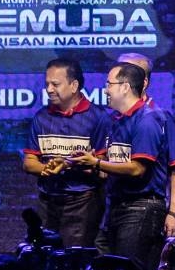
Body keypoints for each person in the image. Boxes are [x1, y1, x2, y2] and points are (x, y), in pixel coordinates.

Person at [69, 62, 170, 270]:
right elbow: (109, 168)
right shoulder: (114, 120)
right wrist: (75, 164)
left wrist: (95, 163)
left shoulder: (147, 120)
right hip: (115, 206)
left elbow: (137, 169)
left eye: (109, 84)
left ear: (125, 87)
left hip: (140, 208)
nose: (105, 89)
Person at [22, 58, 112, 247]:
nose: (49, 89)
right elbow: (29, 161)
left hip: (83, 202)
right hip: (47, 201)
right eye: (47, 84)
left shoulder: (98, 118)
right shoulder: (41, 117)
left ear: (74, 85)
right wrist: (46, 168)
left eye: (55, 84)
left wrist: (70, 165)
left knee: (75, 261)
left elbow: (105, 167)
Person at [117, 52, 175, 237]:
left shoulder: (159, 117)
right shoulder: (112, 118)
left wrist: (174, 213)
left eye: (126, 73)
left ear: (144, 82)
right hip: (113, 207)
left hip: (144, 208)